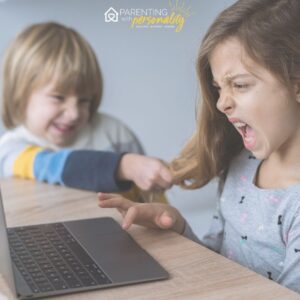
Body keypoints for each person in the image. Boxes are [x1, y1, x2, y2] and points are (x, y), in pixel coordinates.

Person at [98, 0, 300, 293]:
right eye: (219, 88)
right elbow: (218, 264)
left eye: (240, 85)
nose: (221, 103)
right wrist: (177, 228)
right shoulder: (242, 164)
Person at [0, 22, 172, 201]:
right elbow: (51, 166)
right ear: (19, 93)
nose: (73, 113)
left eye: (84, 100)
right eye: (58, 97)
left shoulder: (116, 135)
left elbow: (153, 199)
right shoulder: (10, 150)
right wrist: (123, 166)